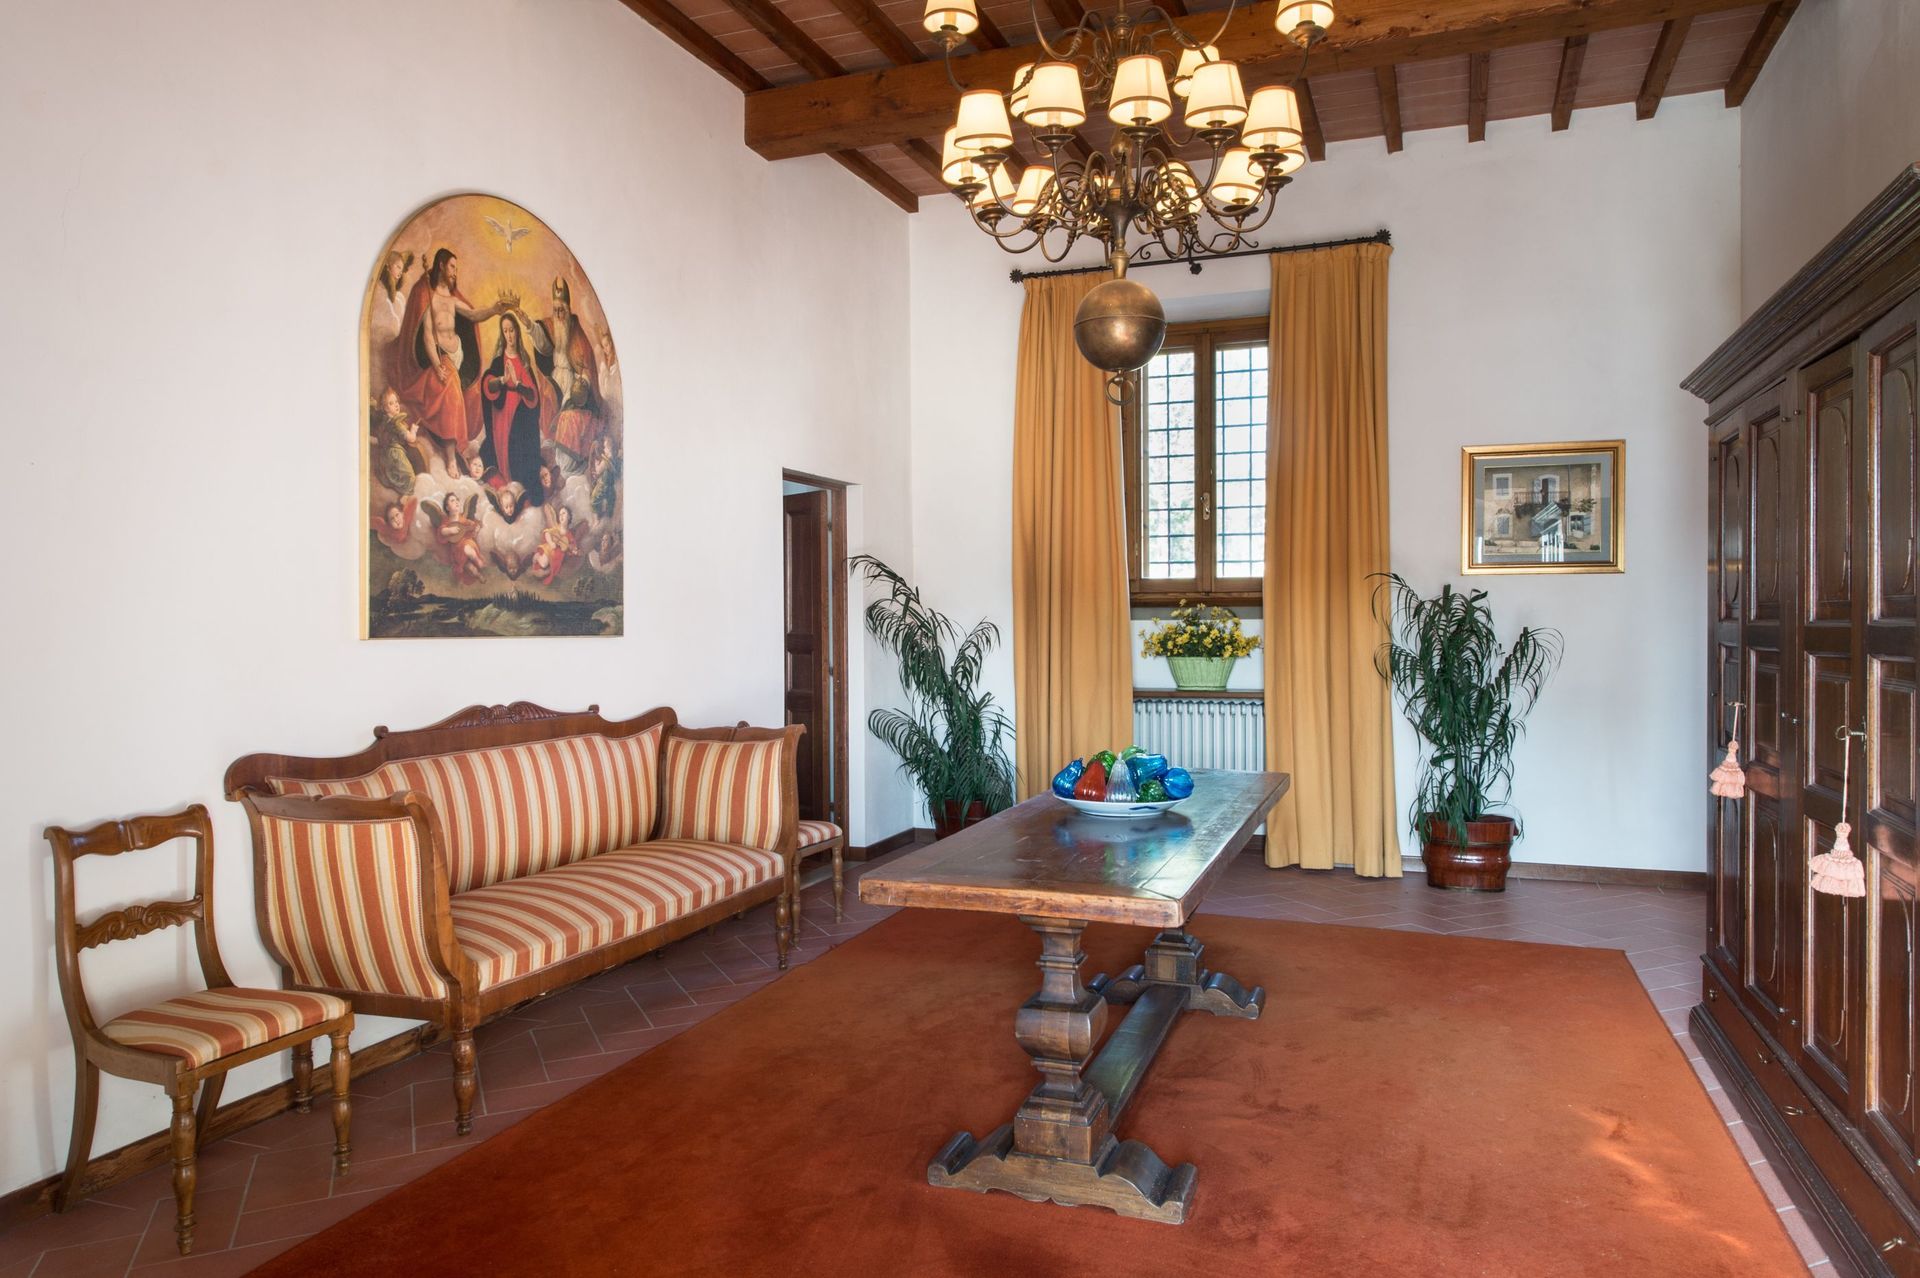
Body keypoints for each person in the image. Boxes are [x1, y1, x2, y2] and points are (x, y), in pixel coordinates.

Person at [391, 248, 508, 471]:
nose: (455, 271)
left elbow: (473, 315)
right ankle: (451, 456)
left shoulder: (452, 299)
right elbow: (427, 337)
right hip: (441, 356)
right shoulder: (428, 295)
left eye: (456, 268)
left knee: (463, 393)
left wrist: (494, 310)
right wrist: (437, 365)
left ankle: (457, 450)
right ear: (442, 266)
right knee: (452, 390)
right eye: (452, 267)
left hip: (458, 355)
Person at [518, 276, 600, 470]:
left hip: (572, 381)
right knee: (547, 402)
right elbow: (544, 346)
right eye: (555, 310)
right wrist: (529, 325)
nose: (558, 314)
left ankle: (563, 458)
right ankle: (549, 448)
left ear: (568, 309)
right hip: (555, 378)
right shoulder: (553, 326)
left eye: (561, 310)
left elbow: (585, 366)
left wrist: (581, 384)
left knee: (565, 413)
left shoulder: (575, 332)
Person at [474, 314, 553, 504]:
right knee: (504, 452)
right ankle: (507, 493)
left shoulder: (524, 362)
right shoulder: (498, 362)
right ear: (503, 334)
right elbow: (487, 385)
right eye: (505, 331)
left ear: (517, 332)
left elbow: (533, 395)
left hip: (521, 417)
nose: (509, 335)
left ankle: (522, 492)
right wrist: (502, 380)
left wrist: (518, 384)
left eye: (512, 330)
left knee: (521, 452)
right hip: (502, 417)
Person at [371, 388, 430, 494]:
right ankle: (408, 494)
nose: (396, 405)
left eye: (396, 402)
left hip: (386, 455)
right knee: (408, 477)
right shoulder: (396, 423)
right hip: (396, 455)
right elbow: (411, 438)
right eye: (391, 403)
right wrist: (413, 430)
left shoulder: (385, 420)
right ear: (385, 408)